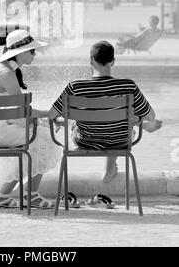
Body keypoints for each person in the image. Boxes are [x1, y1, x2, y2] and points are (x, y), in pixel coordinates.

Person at [0, 29, 61, 209]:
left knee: (37, 139)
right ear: (21, 52)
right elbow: (22, 114)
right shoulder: (6, 74)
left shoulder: (0, 69)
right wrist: (51, 115)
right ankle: (29, 195)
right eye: (32, 50)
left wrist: (42, 120)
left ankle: (4, 196)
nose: (35, 54)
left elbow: (17, 114)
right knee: (45, 141)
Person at [49, 40, 162, 183]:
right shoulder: (128, 86)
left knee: (79, 120)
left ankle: (125, 127)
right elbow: (151, 116)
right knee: (123, 121)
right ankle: (112, 163)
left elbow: (51, 115)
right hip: (120, 140)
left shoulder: (75, 87)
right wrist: (139, 119)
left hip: (85, 140)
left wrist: (60, 121)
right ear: (113, 61)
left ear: (91, 60)